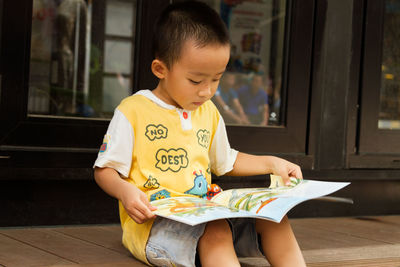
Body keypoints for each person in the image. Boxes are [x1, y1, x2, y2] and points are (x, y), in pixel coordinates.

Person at [93, 2, 306, 267]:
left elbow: (225, 161)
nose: (207, 91)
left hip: (208, 215)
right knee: (216, 230)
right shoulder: (133, 111)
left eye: (216, 79)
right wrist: (125, 191)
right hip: (155, 227)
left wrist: (272, 163)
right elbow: (105, 170)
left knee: (273, 218)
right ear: (161, 69)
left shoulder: (208, 112)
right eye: (196, 81)